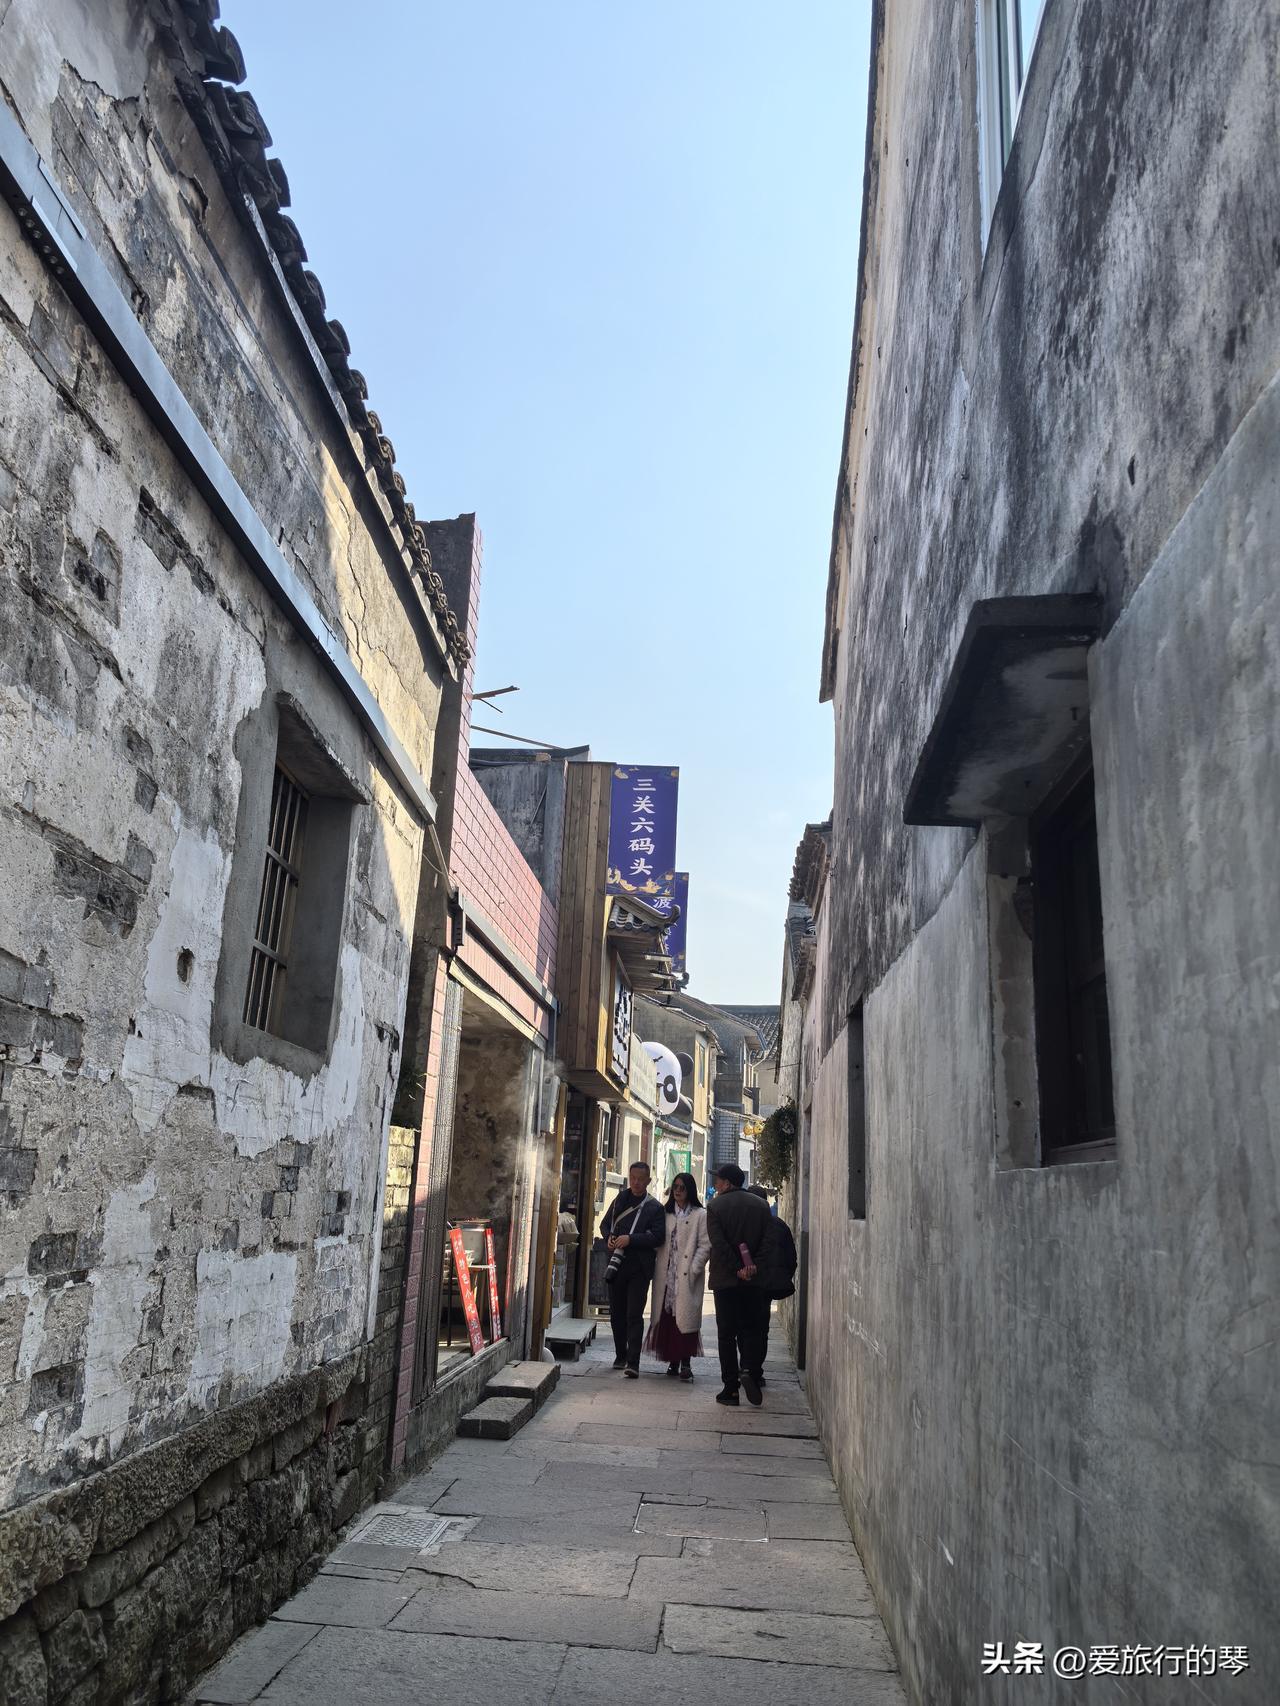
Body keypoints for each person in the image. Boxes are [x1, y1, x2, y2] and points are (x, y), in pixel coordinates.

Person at [705, 1161, 772, 1406]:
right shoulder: (762, 1206)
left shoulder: (715, 1206)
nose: (715, 1184)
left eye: (718, 1180)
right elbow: (768, 1242)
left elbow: (719, 1243)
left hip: (726, 1280)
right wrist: (752, 1267)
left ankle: (731, 1388)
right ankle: (749, 1370)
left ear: (727, 1183)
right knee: (752, 1329)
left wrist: (736, 1268)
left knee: (726, 1334)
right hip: (753, 1280)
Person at [600, 1161, 666, 1377]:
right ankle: (620, 1355)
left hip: (639, 1267)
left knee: (634, 1315)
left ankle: (633, 1362)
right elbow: (605, 1225)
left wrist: (631, 1239)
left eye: (640, 1179)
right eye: (633, 1178)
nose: (636, 1183)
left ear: (648, 1181)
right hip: (617, 1264)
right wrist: (609, 1238)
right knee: (616, 1313)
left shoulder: (655, 1207)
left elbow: (658, 1237)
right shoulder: (620, 1199)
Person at [644, 1172, 710, 1381]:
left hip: (687, 1275)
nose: (678, 1191)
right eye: (675, 1187)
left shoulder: (700, 1215)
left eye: (682, 1187)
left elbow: (705, 1245)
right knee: (667, 1317)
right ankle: (672, 1360)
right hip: (666, 1274)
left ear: (690, 1190)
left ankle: (686, 1363)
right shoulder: (665, 1214)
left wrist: (694, 1268)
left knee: (685, 1318)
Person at [745, 1184, 798, 1389]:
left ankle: (746, 1367)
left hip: (748, 1284)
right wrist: (781, 1278)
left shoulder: (746, 1224)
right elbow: (791, 1258)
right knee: (761, 1330)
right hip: (766, 1288)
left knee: (745, 1328)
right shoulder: (779, 1225)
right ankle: (755, 1371)